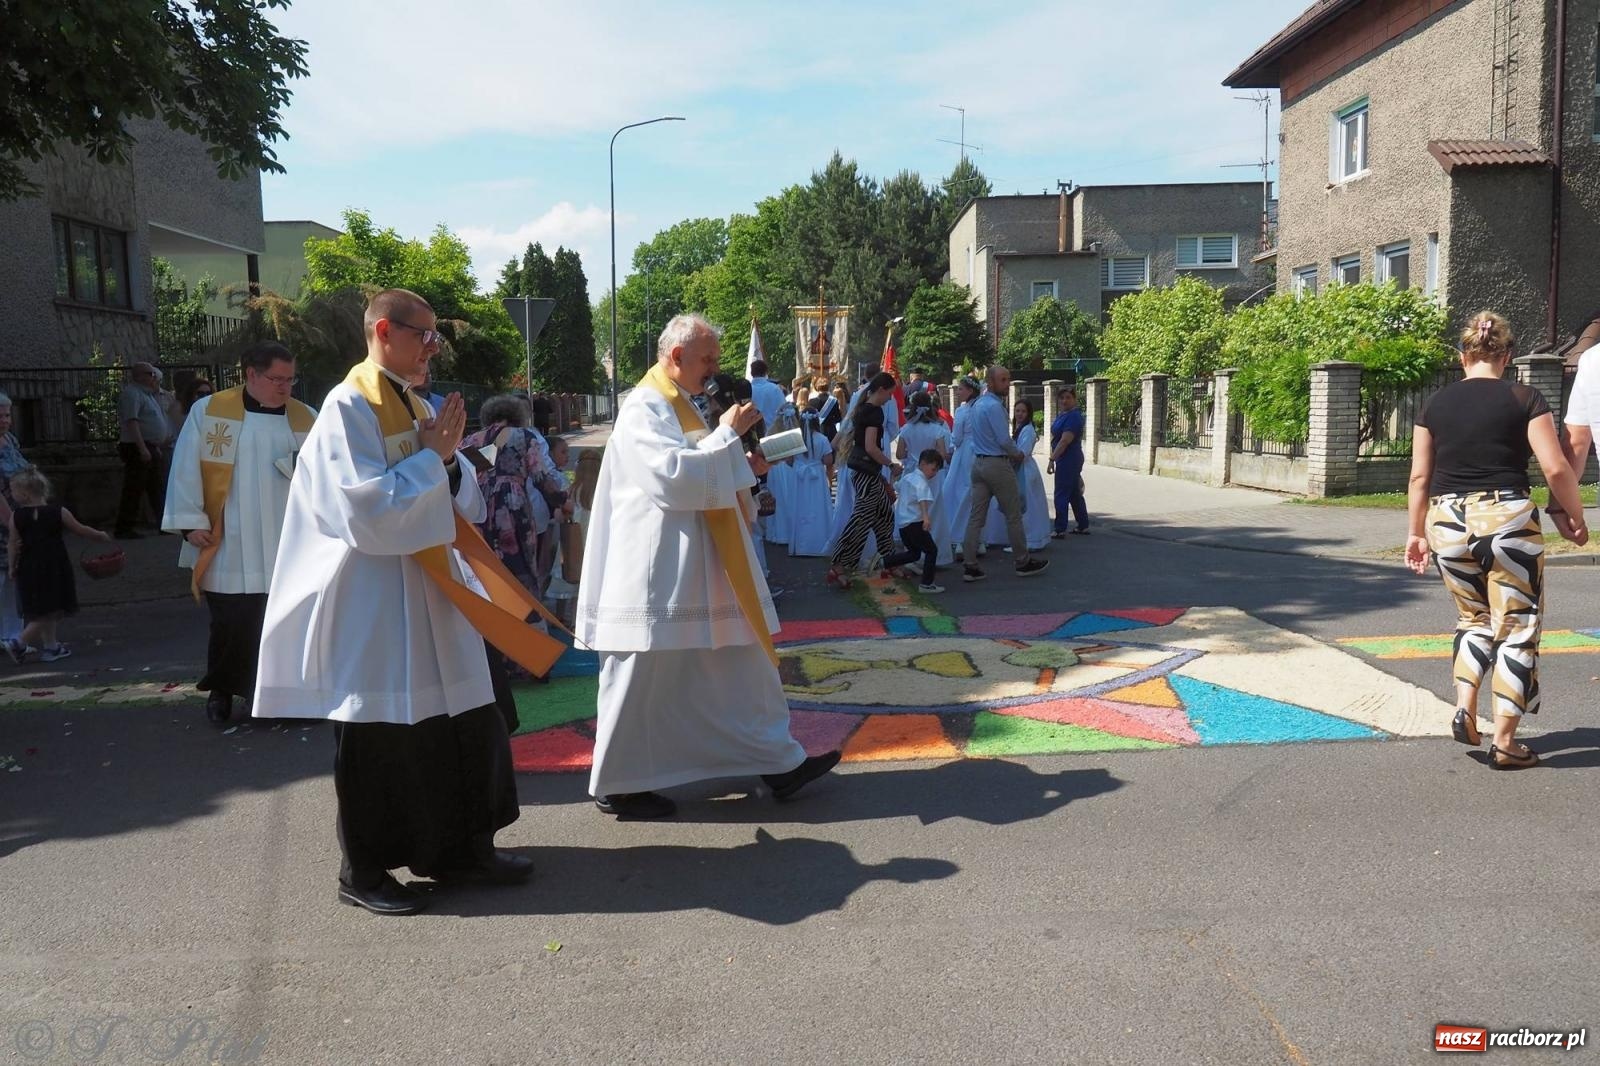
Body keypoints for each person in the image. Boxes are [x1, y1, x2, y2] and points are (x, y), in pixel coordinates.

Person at [254, 288, 552, 915]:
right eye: (426, 334)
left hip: (433, 596)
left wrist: (444, 464)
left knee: (467, 723)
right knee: (382, 740)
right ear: (385, 330)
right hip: (376, 600)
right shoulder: (347, 408)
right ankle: (361, 872)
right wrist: (434, 461)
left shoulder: (414, 401)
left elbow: (463, 495)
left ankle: (460, 848)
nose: (434, 347)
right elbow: (367, 514)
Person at [578, 314, 840, 820]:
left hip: (701, 563)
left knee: (741, 662)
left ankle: (779, 762)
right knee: (642, 676)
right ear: (675, 357)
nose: (715, 370)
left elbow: (701, 462)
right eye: (708, 359)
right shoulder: (645, 407)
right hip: (660, 572)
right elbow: (671, 478)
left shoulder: (681, 405)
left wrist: (747, 465)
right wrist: (726, 438)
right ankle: (618, 782)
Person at [1404, 311, 1586, 770]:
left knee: (1472, 620)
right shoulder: (1524, 397)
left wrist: (1414, 532)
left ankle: (1465, 704)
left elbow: (1419, 476)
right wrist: (1574, 515)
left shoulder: (1434, 404)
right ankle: (1505, 743)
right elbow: (1556, 467)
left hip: (1446, 522)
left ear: (1463, 356)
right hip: (1506, 518)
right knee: (1518, 627)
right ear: (1505, 357)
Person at [162, 340, 316, 724]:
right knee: (232, 621)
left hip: (287, 540)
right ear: (251, 374)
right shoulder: (211, 412)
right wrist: (190, 521)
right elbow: (185, 467)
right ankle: (223, 691)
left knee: (281, 621)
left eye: (290, 380)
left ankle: (275, 699)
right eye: (277, 379)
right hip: (230, 538)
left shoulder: (306, 417)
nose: (285, 388)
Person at [461, 395, 562, 599]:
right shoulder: (525, 436)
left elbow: (462, 474)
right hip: (513, 506)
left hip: (479, 507)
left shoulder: (472, 439)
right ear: (518, 415)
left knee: (487, 564)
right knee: (520, 562)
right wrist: (561, 499)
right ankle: (523, 610)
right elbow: (541, 477)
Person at [8, 468, 112, 662]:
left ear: (24, 494)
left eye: (12, 491)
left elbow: (13, 543)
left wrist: (13, 566)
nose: (11, 495)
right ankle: (19, 641)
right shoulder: (58, 511)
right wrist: (100, 536)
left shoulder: (16, 516)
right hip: (54, 565)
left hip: (28, 566)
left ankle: (51, 646)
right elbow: (80, 529)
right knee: (52, 606)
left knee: (43, 606)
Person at [961, 366, 1049, 581]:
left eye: (1008, 379)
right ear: (990, 382)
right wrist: (1017, 454)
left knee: (976, 517)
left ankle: (970, 564)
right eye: (1003, 380)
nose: (1007, 384)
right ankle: (1022, 561)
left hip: (979, 463)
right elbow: (1003, 439)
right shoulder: (994, 406)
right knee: (1014, 515)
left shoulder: (977, 404)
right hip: (997, 464)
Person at [825, 372, 899, 589]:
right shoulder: (874, 413)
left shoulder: (863, 407)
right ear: (882, 390)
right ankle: (839, 564)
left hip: (862, 469)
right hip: (867, 471)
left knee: (884, 515)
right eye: (889, 394)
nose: (890, 399)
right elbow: (871, 447)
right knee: (861, 520)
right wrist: (891, 464)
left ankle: (889, 559)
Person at [981, 399, 1051, 552]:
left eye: (1023, 411)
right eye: (1017, 411)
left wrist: (1004, 454)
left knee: (1024, 506)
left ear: (1029, 413)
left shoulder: (1028, 430)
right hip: (1020, 468)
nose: (1019, 414)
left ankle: (1027, 540)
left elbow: (1021, 454)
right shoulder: (1019, 428)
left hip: (1023, 471)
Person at [114, 362, 171, 539]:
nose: (154, 377)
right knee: (134, 487)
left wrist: (155, 446)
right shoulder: (132, 394)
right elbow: (132, 422)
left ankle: (164, 524)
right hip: (136, 446)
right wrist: (142, 448)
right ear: (139, 376)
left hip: (149, 446)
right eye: (150, 374)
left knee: (156, 486)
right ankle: (124, 528)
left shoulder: (146, 395)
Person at [895, 391, 953, 551]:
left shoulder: (906, 429)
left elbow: (899, 454)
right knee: (933, 511)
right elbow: (942, 454)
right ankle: (934, 551)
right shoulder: (937, 429)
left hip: (912, 472)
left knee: (913, 510)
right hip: (932, 475)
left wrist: (912, 456)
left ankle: (914, 550)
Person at [882, 448, 945, 594]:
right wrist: (926, 518)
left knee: (914, 553)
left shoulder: (908, 477)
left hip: (903, 524)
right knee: (931, 550)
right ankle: (927, 584)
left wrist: (892, 477)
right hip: (915, 522)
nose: (934, 473)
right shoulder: (920, 481)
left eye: (936, 471)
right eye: (933, 469)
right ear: (923, 464)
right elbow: (922, 499)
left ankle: (884, 562)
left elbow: (896, 486)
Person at [0, 393, 30, 659]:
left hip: (17, 518)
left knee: (13, 578)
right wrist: (11, 523)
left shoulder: (9, 441)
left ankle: (12, 635)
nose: (4, 420)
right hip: (4, 522)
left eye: (7, 414)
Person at [787, 396, 835, 557]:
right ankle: (818, 544)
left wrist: (800, 463)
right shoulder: (822, 439)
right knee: (817, 508)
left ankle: (801, 545)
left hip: (800, 478)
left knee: (800, 508)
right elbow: (828, 460)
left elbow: (789, 460)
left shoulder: (795, 439)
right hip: (817, 478)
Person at [941, 377, 981, 560]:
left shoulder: (962, 411)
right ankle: (979, 541)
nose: (958, 392)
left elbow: (956, 438)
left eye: (961, 389)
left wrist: (950, 448)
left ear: (970, 391)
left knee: (959, 493)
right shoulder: (983, 408)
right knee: (977, 495)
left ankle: (958, 537)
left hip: (964, 453)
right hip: (980, 451)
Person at [1048, 386, 1090, 538]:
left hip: (1069, 458)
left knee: (1061, 493)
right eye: (1062, 398)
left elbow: (1065, 441)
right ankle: (1083, 525)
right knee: (1073, 493)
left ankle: (1060, 529)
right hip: (1068, 458)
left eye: (1068, 397)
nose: (1064, 400)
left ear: (1074, 399)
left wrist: (1052, 459)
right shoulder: (1064, 414)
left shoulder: (1073, 417)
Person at [748, 359, 786, 430]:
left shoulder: (748, 391)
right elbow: (784, 410)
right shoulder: (775, 389)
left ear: (751, 373)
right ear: (766, 372)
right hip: (776, 432)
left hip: (757, 435)